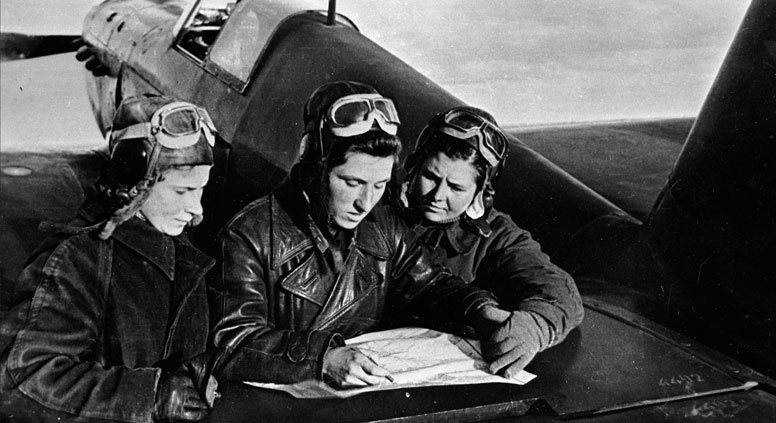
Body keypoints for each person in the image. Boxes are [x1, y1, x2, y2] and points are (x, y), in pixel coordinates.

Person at [208, 81, 521, 388]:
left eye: (380, 185)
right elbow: (232, 342)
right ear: (316, 169)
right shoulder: (249, 235)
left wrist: (482, 311)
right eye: (352, 182)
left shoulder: (381, 225)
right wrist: (322, 358)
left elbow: (430, 286)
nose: (365, 203)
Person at [0, 96, 219, 422]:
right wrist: (150, 396)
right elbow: (23, 381)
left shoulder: (183, 254)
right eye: (180, 192)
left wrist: (197, 378)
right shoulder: (80, 261)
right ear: (133, 185)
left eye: (200, 190)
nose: (197, 210)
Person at [400, 106, 584, 374]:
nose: (438, 196)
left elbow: (558, 289)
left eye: (456, 187)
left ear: (480, 194)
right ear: (413, 167)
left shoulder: (495, 235)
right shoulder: (376, 205)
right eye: (430, 177)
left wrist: (536, 326)